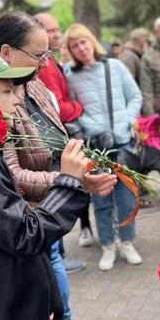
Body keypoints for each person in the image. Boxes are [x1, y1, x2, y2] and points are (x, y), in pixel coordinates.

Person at [0, 51, 116, 320]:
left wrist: (79, 184)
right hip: (4, 307)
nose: (16, 100)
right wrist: (68, 182)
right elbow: (25, 235)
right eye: (7, 91)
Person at [64, 23, 144, 271]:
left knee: (127, 196)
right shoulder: (70, 75)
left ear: (92, 41)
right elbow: (73, 110)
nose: (81, 48)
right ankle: (108, 245)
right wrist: (88, 130)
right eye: (75, 45)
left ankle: (126, 241)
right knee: (101, 199)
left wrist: (128, 122)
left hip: (122, 142)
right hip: (95, 147)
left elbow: (135, 97)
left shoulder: (115, 66)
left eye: (84, 42)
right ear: (70, 50)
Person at [35, 12, 95, 253]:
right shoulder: (46, 64)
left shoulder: (52, 60)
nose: (57, 34)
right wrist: (80, 106)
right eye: (50, 31)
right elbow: (58, 107)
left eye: (57, 29)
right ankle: (61, 251)